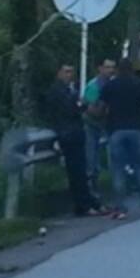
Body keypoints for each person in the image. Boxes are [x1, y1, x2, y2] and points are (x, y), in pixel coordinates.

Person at [94, 58, 140, 221]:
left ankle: (121, 209)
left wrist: (100, 116)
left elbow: (100, 109)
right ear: (132, 69)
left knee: (118, 170)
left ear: (117, 70)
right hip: (136, 130)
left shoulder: (110, 86)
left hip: (116, 131)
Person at [43, 64, 105, 217]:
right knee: (76, 171)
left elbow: (79, 107)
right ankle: (83, 205)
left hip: (75, 131)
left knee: (82, 170)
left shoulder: (71, 89)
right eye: (66, 72)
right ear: (59, 73)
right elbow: (70, 109)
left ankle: (90, 202)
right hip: (67, 133)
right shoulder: (57, 91)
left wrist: (80, 105)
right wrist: (80, 105)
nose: (69, 75)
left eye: (71, 71)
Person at [82, 58, 116, 199]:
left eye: (112, 67)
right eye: (107, 67)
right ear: (100, 68)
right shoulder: (94, 86)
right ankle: (92, 187)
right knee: (92, 157)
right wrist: (105, 110)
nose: (110, 70)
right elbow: (90, 109)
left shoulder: (113, 84)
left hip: (108, 125)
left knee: (113, 155)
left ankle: (115, 186)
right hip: (92, 125)